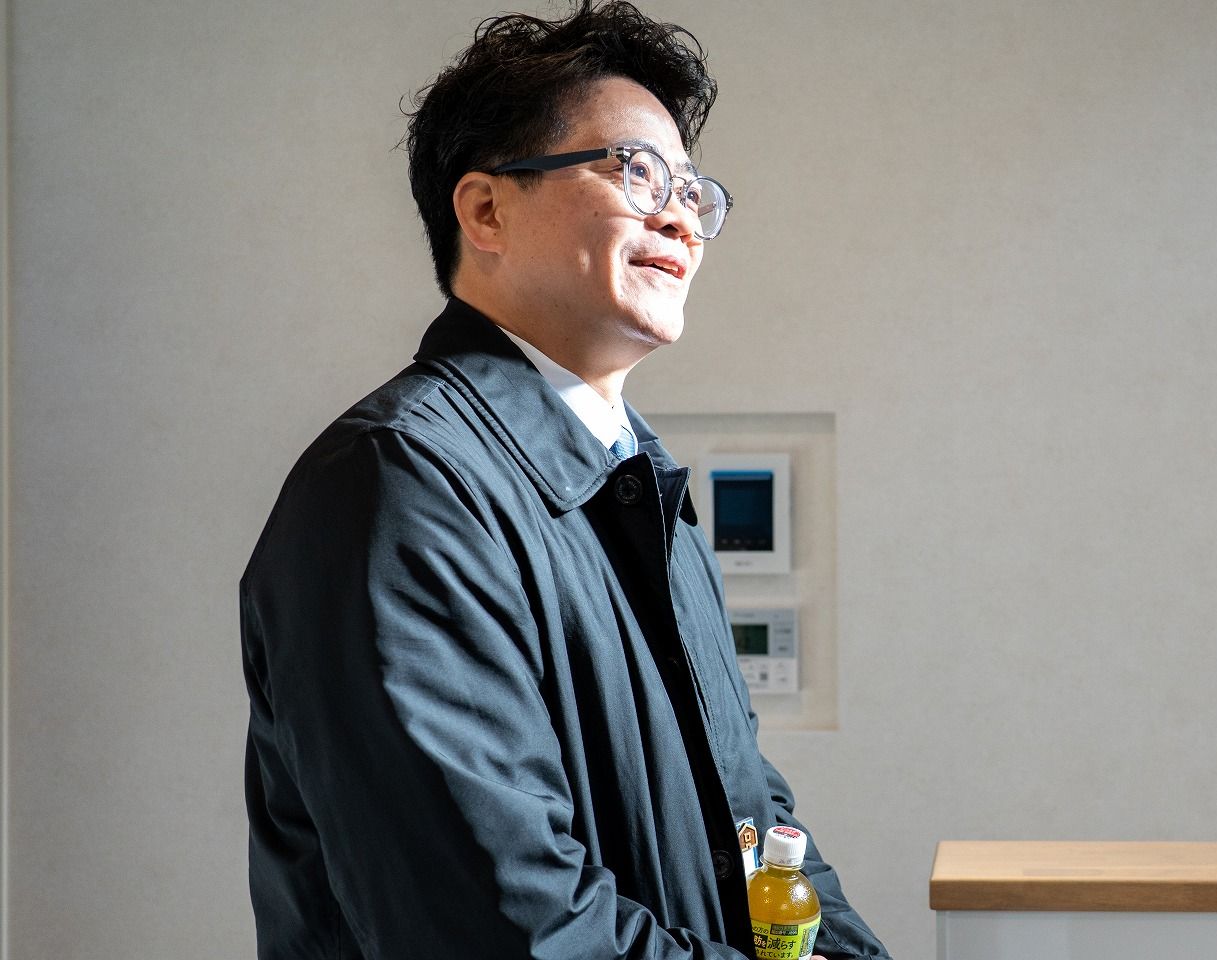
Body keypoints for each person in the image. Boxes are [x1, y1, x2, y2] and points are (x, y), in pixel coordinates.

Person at [240, 3, 891, 958]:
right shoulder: (398, 486)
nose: (681, 216)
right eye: (636, 171)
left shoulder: (643, 483)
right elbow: (500, 926)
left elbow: (755, 821)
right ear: (486, 210)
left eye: (692, 189)